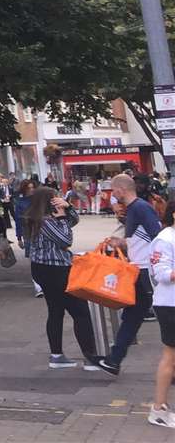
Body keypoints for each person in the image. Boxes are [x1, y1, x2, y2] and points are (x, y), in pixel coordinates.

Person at [22, 187, 99, 369]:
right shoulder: (46, 222)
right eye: (56, 198)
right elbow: (65, 240)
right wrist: (63, 216)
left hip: (44, 269)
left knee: (55, 310)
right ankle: (90, 357)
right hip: (55, 270)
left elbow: (74, 221)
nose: (59, 200)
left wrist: (68, 208)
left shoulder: (41, 219)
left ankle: (57, 356)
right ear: (49, 202)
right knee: (80, 311)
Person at [95, 173, 161, 375]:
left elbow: (157, 236)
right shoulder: (134, 209)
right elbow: (142, 239)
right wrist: (122, 243)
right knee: (133, 315)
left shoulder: (140, 208)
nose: (112, 195)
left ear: (121, 190)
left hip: (146, 271)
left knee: (151, 315)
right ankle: (114, 359)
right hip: (138, 270)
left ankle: (115, 359)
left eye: (113, 190)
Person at [146, 206, 175, 426]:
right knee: (170, 358)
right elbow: (162, 274)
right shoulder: (165, 239)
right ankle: (158, 409)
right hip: (169, 305)